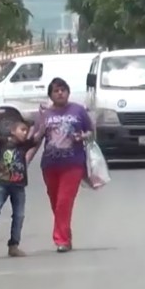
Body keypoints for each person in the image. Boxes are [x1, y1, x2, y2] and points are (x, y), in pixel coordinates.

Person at [28, 77, 92, 252]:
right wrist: (24, 162)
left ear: (68, 92)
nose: (60, 93)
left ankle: (61, 240)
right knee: (56, 203)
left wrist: (83, 136)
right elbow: (35, 140)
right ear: (50, 95)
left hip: (73, 163)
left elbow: (92, 132)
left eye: (63, 90)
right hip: (50, 165)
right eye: (56, 91)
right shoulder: (44, 115)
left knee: (64, 202)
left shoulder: (78, 110)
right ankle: (66, 235)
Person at [0, 115, 42, 257]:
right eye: (22, 130)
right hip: (3, 184)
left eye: (27, 131)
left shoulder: (25, 145)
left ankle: (14, 245)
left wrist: (42, 119)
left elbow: (38, 135)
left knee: (19, 215)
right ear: (13, 131)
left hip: (19, 186)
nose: (25, 133)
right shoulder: (2, 142)